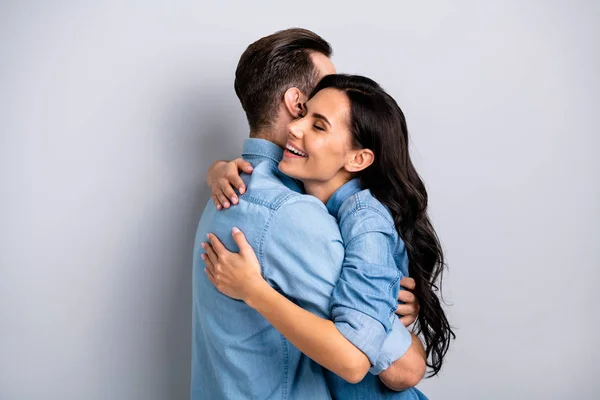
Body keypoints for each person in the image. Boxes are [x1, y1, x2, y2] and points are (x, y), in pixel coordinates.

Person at [191, 29, 424, 400]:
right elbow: (405, 366)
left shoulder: (233, 190)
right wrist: (392, 324)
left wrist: (387, 296)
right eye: (317, 103)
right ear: (297, 104)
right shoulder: (292, 214)